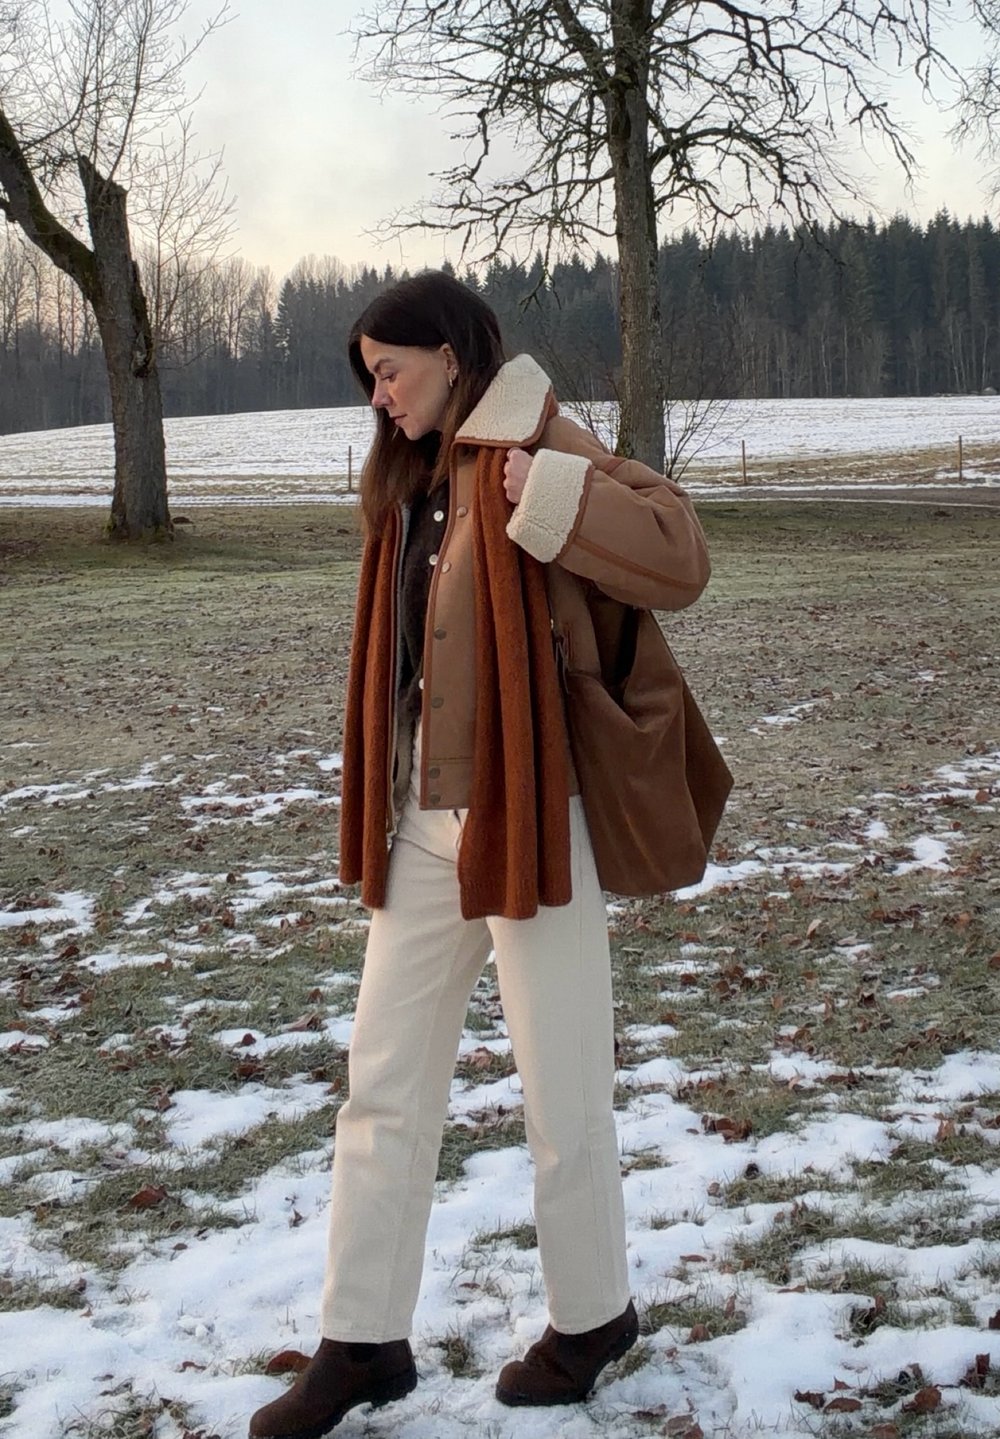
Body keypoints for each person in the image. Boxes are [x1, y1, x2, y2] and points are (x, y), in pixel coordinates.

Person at [249, 270, 712, 1439]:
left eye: (390, 370)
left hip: (531, 814)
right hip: (423, 822)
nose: (379, 396)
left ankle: (594, 1315)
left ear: (453, 355)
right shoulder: (407, 477)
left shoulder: (535, 436)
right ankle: (361, 1340)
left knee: (561, 1089)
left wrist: (548, 487)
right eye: (368, 378)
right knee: (383, 1084)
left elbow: (678, 554)